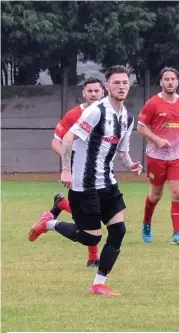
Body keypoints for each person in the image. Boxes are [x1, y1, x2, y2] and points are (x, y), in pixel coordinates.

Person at [28, 65, 143, 296]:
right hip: (85, 184)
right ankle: (49, 223)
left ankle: (98, 283)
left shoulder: (127, 118)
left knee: (118, 231)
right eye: (116, 82)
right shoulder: (96, 111)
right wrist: (66, 170)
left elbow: (121, 150)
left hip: (108, 182)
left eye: (125, 83)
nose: (121, 86)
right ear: (107, 87)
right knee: (91, 236)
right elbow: (68, 138)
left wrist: (130, 164)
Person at [28, 77, 105, 268]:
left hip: (100, 171)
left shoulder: (108, 114)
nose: (93, 94)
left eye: (97, 91)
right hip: (80, 174)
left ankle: (61, 205)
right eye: (90, 91)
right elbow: (56, 141)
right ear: (84, 93)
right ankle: (93, 258)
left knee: (93, 214)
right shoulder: (73, 115)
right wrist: (69, 165)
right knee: (93, 214)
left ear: (103, 92)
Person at [137, 67, 179, 245]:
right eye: (166, 79)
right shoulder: (152, 103)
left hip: (178, 156)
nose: (170, 82)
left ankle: (177, 234)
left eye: (173, 79)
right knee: (155, 196)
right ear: (161, 82)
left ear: (177, 82)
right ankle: (146, 223)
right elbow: (141, 127)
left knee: (177, 194)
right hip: (157, 157)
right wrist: (157, 139)